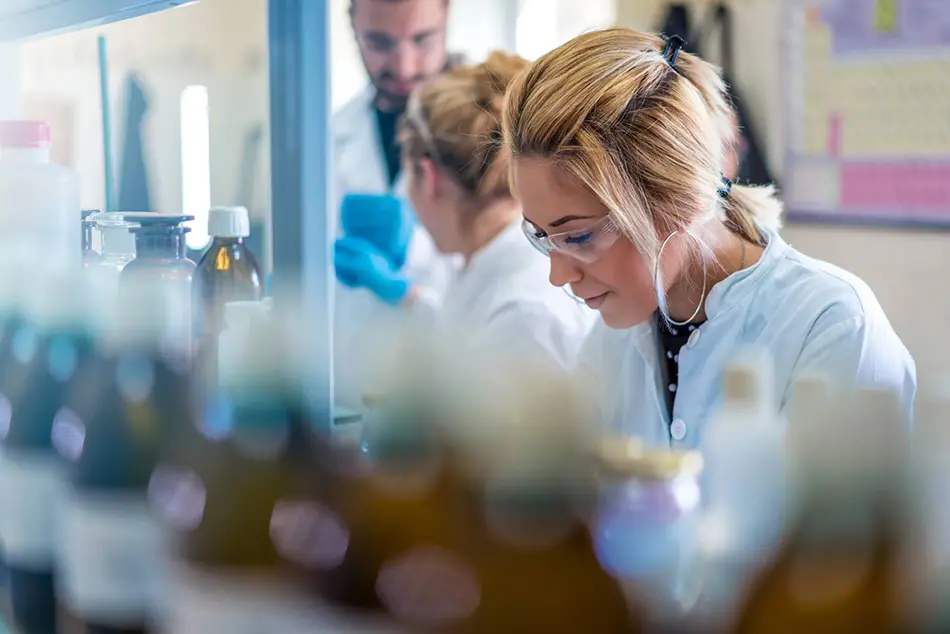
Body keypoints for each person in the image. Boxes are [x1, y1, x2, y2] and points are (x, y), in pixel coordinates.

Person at [500, 28, 916, 448]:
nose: (557, 275)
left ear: (679, 200)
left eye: (579, 236)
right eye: (542, 236)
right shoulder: (613, 341)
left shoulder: (830, 326)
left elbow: (844, 514)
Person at [335, 52, 594, 372]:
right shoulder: (487, 261)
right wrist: (404, 297)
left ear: (427, 178)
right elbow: (459, 337)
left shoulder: (523, 315)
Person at [333, 0, 459, 407]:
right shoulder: (329, 135)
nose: (404, 67)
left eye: (422, 40)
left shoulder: (491, 132)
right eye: (380, 43)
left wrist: (412, 260)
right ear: (353, 27)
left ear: (447, 17)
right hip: (351, 387)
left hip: (448, 388)